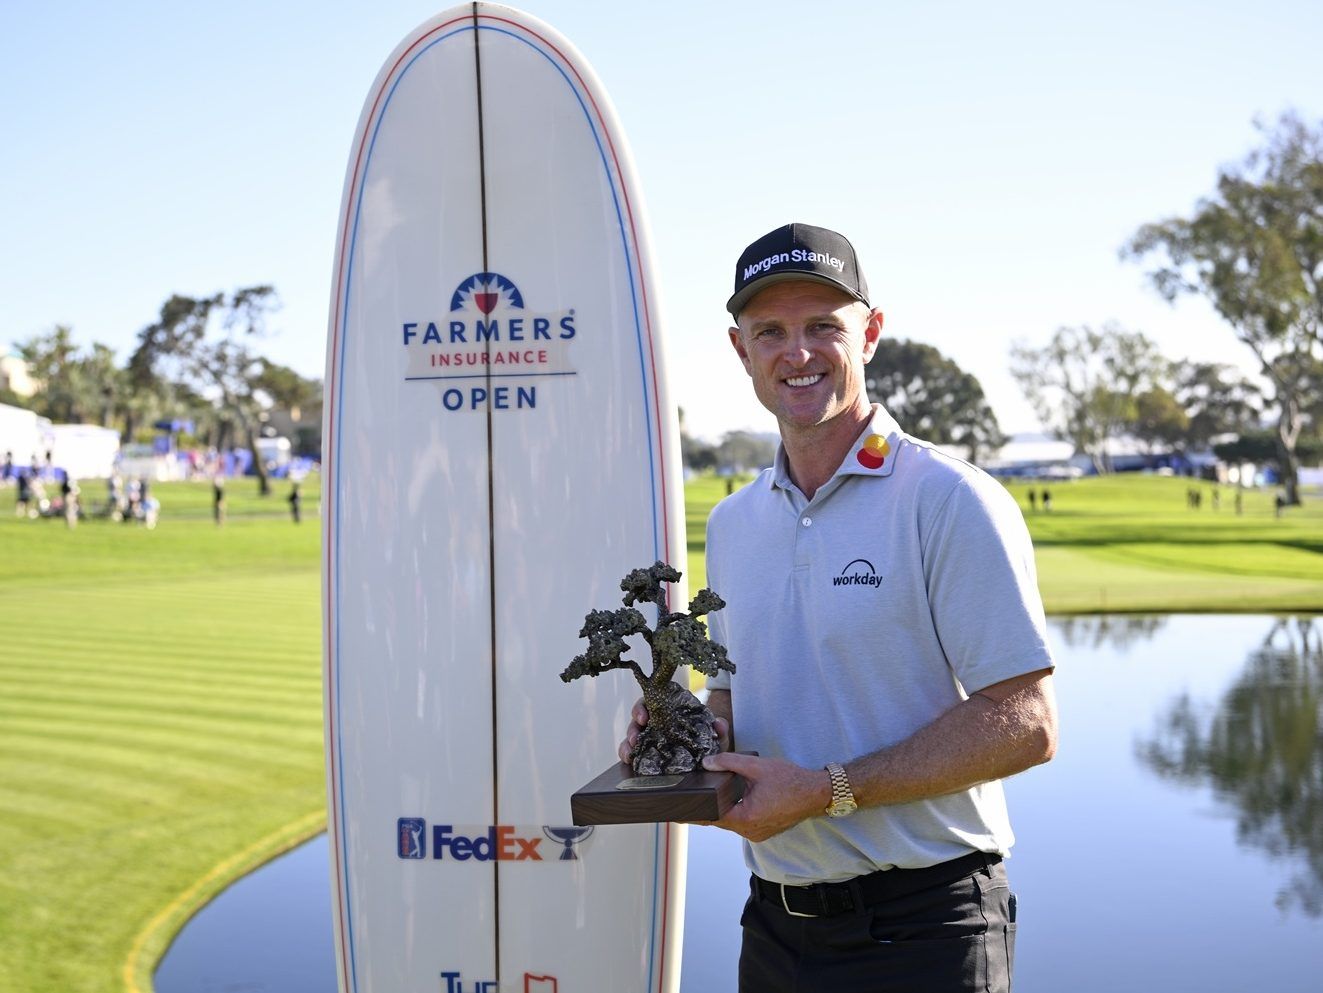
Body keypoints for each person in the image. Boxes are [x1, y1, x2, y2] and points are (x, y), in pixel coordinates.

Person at [621, 223, 1057, 993]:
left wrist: (828, 788)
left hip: (926, 925)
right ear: (739, 349)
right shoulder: (733, 522)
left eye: (823, 325)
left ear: (871, 332)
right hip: (774, 928)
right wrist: (687, 729)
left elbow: (1026, 721)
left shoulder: (949, 500)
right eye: (771, 331)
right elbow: (733, 692)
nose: (798, 353)